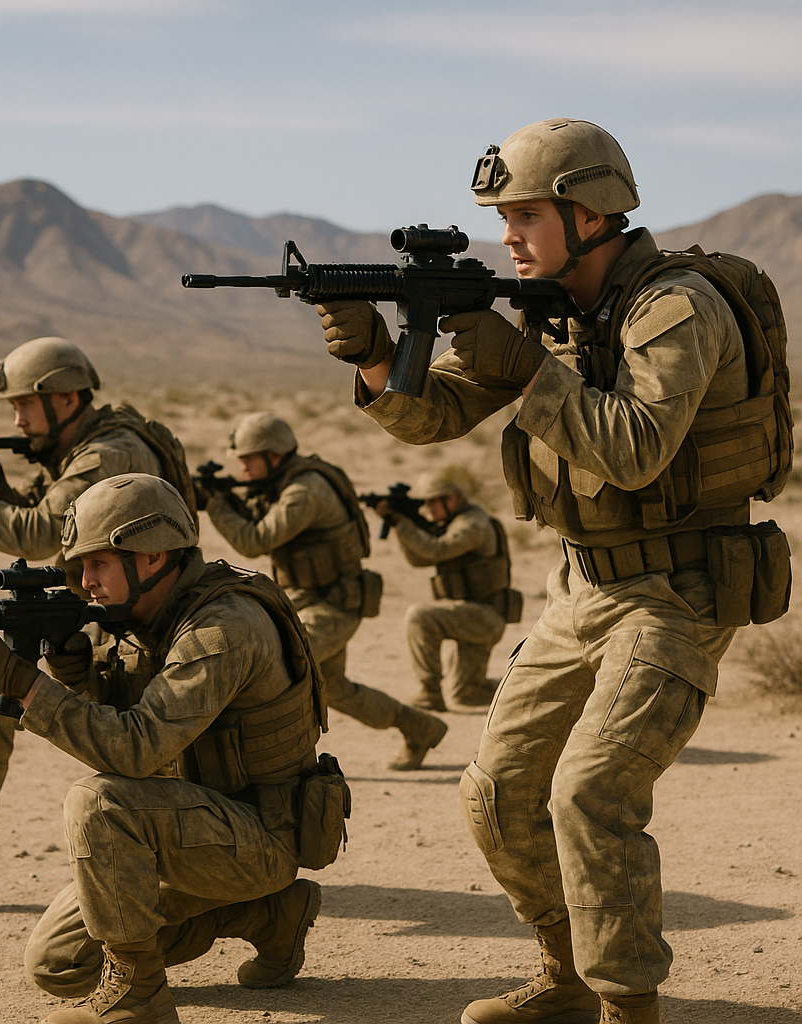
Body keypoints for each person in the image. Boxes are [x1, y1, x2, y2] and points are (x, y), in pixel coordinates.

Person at [317, 118, 789, 1024]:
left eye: (525, 214)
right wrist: (378, 357)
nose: (507, 236)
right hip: (583, 588)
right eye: (501, 218)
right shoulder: (554, 311)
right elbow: (434, 418)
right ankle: (566, 972)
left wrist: (528, 369)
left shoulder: (674, 306)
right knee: (494, 793)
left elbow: (639, 449)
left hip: (679, 591)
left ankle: (627, 1004)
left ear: (589, 212)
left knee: (590, 792)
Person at [0, 474, 339, 1023]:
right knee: (59, 966)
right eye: (80, 567)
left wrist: (25, 685)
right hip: (184, 825)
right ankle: (268, 916)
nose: (85, 584)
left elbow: (135, 751)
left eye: (98, 564)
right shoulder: (140, 614)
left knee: (98, 802)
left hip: (262, 833)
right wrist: (81, 677)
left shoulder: (223, 628)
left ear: (152, 557)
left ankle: (140, 996)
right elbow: (135, 717)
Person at [0, 336, 195, 916]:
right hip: (106, 611)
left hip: (142, 627)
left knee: (145, 747)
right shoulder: (89, 447)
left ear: (67, 398)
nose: (17, 420)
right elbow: (67, 526)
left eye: (25, 405)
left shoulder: (107, 455)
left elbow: (42, 537)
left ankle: (187, 856)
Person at [200, 411, 447, 772]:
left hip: (334, 604)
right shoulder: (283, 483)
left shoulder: (305, 490)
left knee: (277, 667)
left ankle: (269, 765)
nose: (242, 468)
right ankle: (421, 727)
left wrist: (217, 505)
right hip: (309, 600)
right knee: (337, 689)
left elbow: (254, 541)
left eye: (247, 459)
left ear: (274, 454)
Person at [378, 465, 515, 710]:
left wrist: (402, 523)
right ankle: (524, 691)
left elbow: (435, 550)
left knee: (419, 617)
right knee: (466, 694)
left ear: (451, 499)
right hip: (472, 615)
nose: (427, 510)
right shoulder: (455, 520)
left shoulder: (473, 524)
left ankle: (429, 692)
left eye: (431, 502)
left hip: (484, 616)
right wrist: (401, 525)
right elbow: (420, 559)